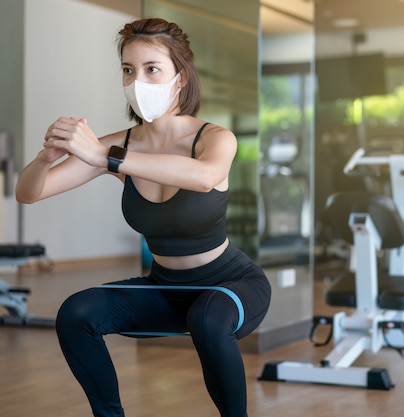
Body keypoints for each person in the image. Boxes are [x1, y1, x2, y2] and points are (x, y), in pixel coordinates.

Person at [15, 17, 271, 417]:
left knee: (206, 317)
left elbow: (205, 178)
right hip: (166, 289)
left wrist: (104, 157)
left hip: (230, 285)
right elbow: (29, 193)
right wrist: (42, 158)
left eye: (152, 69)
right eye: (128, 70)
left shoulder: (215, 138)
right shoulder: (120, 145)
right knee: (75, 313)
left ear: (181, 77)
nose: (138, 81)